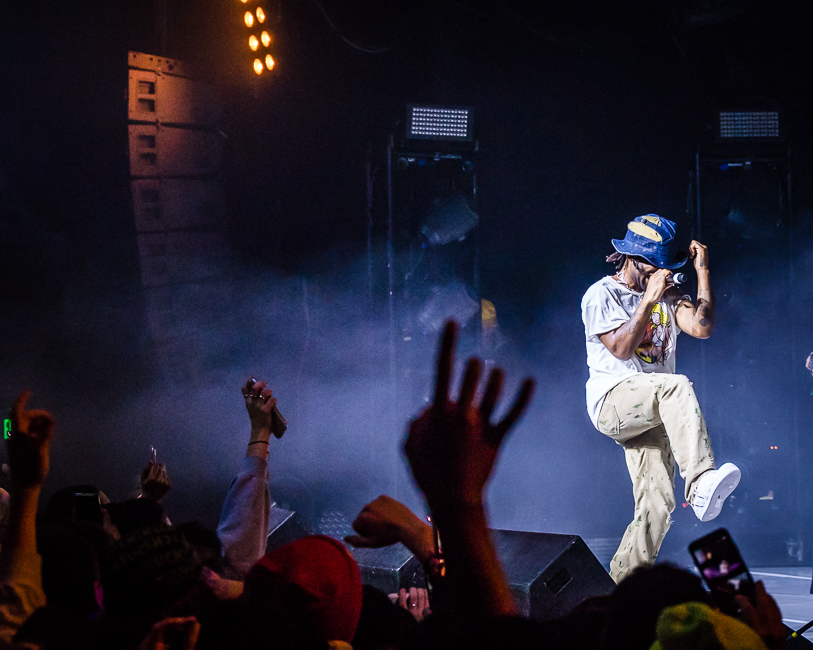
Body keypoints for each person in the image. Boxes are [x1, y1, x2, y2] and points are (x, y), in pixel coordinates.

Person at [581, 214, 740, 583]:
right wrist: (649, 299)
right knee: (677, 384)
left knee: (658, 504)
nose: (665, 274)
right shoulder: (601, 295)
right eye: (658, 266)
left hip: (653, 410)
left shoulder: (669, 295)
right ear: (634, 259)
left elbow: (701, 327)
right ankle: (700, 481)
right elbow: (621, 349)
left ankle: (619, 587)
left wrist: (702, 272)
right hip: (614, 402)